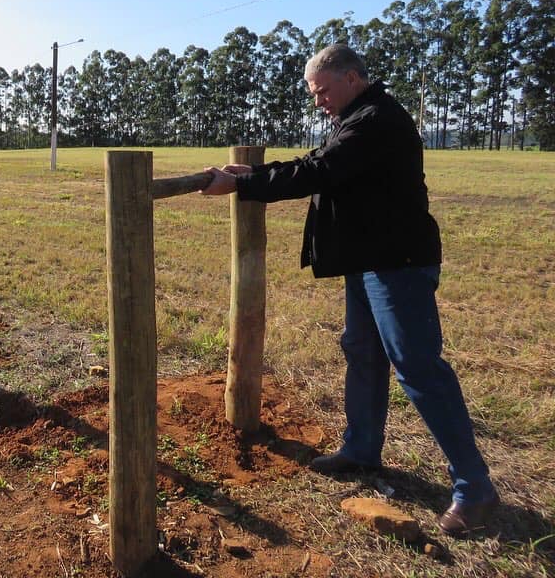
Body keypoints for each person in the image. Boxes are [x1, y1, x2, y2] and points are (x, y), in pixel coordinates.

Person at [201, 43, 498, 537]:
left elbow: (320, 171)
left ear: (353, 77)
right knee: (362, 350)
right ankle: (361, 448)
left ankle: (475, 488)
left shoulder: (377, 120)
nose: (318, 101)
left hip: (397, 264)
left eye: (322, 91)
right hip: (369, 262)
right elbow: (319, 158)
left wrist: (243, 187)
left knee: (419, 368)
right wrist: (253, 173)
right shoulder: (357, 117)